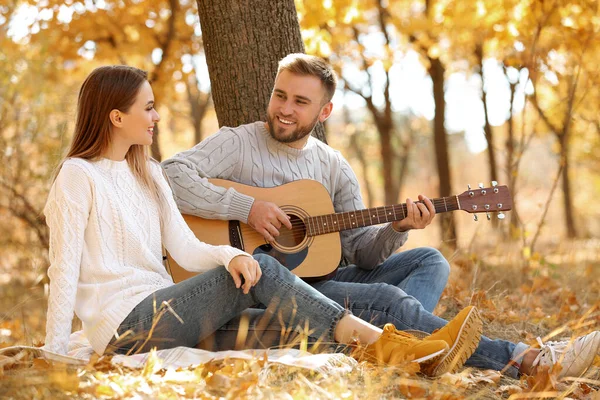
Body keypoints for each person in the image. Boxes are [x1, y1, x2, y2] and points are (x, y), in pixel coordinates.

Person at [162, 53, 600, 379]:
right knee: (391, 302)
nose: (284, 109)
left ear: (324, 111)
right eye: (280, 95)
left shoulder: (333, 166)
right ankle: (525, 360)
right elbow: (172, 172)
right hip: (264, 288)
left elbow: (360, 253)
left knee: (429, 261)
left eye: (300, 101)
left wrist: (396, 228)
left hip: (328, 280)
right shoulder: (238, 143)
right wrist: (248, 208)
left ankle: (387, 346)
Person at [42, 65, 487, 377]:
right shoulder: (78, 176)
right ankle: (392, 343)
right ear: (117, 117)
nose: (157, 116)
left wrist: (233, 255)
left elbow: (184, 248)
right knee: (266, 269)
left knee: (295, 332)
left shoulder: (149, 172)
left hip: (169, 311)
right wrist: (54, 352)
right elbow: (62, 269)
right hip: (125, 323)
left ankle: (402, 356)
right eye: (148, 108)